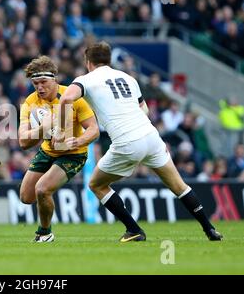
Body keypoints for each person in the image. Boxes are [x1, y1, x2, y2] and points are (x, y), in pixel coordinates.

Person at [57, 41, 222, 242]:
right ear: (108, 60)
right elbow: (145, 111)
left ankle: (134, 229)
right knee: (179, 186)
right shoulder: (129, 78)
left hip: (127, 142)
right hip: (150, 136)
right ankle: (210, 229)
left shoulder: (85, 80)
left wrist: (64, 132)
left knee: (96, 184)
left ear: (87, 61)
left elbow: (66, 99)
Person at [18, 56, 99, 242]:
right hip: (47, 152)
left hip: (73, 154)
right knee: (25, 197)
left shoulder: (72, 97)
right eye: (35, 83)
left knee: (42, 189)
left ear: (55, 79)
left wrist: (77, 141)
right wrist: (43, 128)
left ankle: (44, 234)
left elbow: (94, 130)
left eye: (43, 82)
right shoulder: (30, 102)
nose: (39, 87)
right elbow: (23, 142)